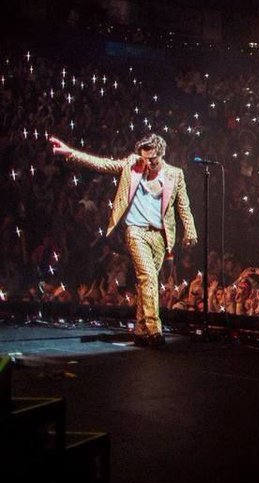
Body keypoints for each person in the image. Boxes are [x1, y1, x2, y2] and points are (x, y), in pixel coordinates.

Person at [50, 133, 198, 347]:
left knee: (146, 282)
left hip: (160, 236)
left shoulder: (175, 175)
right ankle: (154, 330)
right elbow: (102, 164)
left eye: (152, 159)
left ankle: (140, 330)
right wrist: (71, 153)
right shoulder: (132, 165)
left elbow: (183, 205)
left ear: (162, 154)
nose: (148, 163)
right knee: (148, 277)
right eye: (144, 158)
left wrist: (190, 230)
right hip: (135, 231)